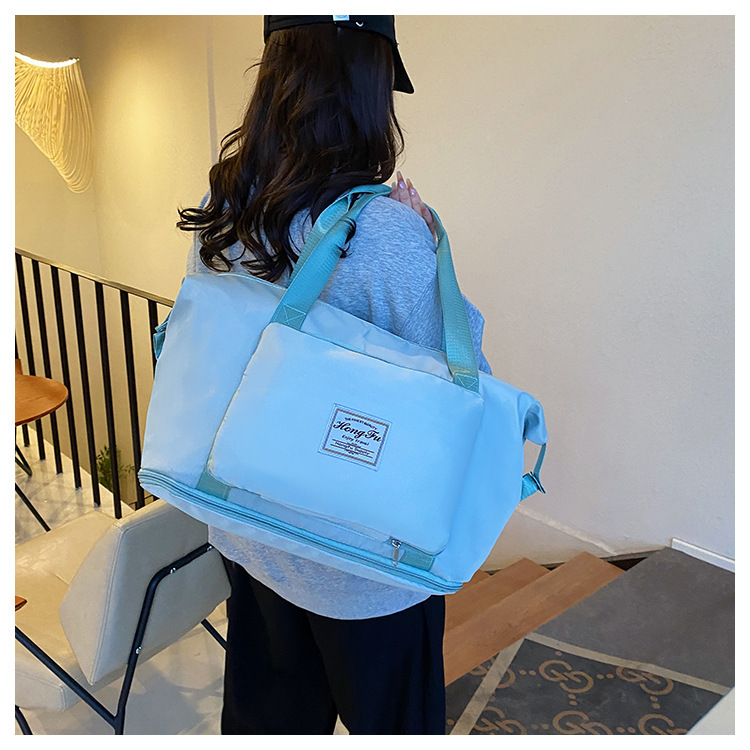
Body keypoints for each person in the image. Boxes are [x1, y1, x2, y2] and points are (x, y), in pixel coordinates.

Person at [177, 15, 492, 735]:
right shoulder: (384, 231)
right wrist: (428, 245)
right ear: (362, 91)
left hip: (253, 527)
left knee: (270, 722)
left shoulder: (227, 208)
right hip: (360, 565)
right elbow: (463, 382)